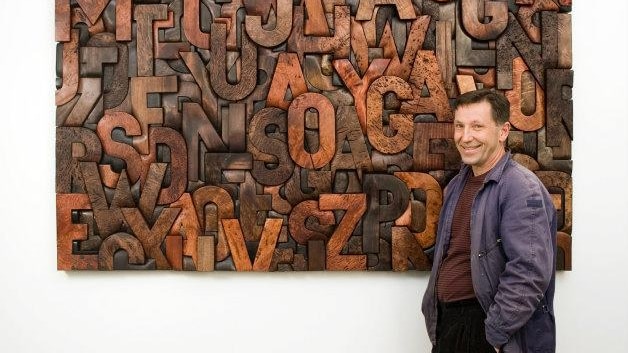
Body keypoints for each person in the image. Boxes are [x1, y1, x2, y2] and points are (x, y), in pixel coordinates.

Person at [421, 89, 557, 353]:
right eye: (459, 126)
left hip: (485, 329)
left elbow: (529, 272)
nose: (465, 136)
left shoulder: (520, 187)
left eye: (477, 126)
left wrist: (494, 334)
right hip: (451, 326)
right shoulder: (457, 185)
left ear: (503, 131)